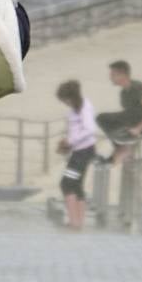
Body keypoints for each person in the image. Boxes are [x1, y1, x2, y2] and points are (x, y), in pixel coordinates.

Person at [96, 60, 142, 164]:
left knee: (108, 123)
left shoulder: (138, 88)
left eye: (113, 74)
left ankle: (123, 148)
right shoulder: (123, 93)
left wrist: (139, 129)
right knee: (102, 118)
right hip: (131, 121)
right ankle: (117, 153)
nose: (110, 77)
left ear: (122, 75)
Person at [55, 80, 97, 230]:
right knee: (77, 185)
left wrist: (70, 141)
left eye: (65, 99)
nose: (65, 103)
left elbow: (90, 129)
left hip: (83, 151)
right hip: (80, 151)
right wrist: (67, 143)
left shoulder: (84, 107)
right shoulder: (76, 108)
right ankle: (78, 222)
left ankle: (74, 223)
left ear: (71, 97)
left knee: (66, 183)